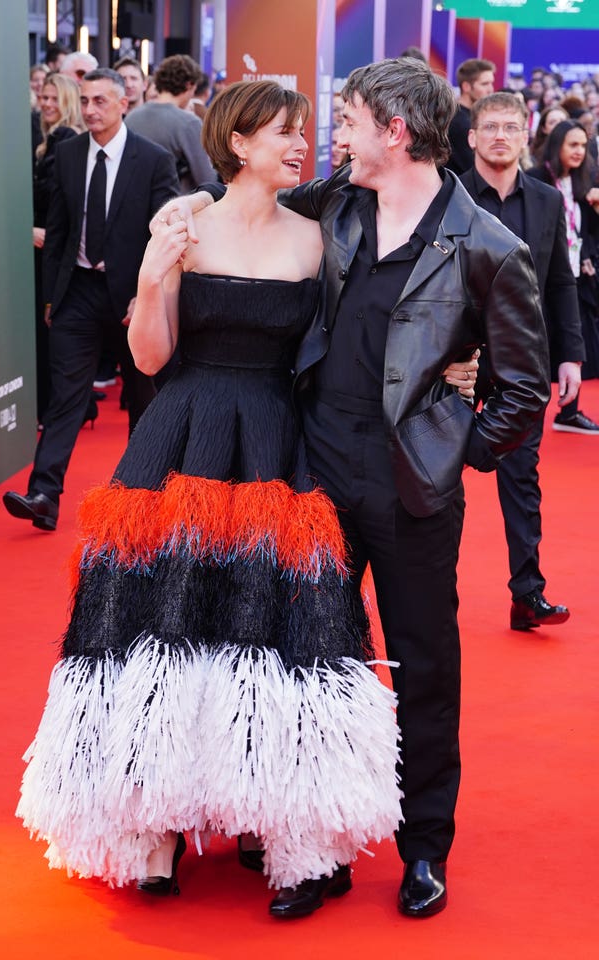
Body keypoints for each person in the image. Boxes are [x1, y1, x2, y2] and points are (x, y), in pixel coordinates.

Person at [14, 79, 404, 919]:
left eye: (305, 132)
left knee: (274, 624)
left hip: (276, 443)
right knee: (164, 619)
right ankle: (156, 827)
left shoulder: (317, 239)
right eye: (284, 134)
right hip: (182, 436)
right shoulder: (184, 227)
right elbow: (149, 362)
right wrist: (153, 280)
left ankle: (277, 819)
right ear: (238, 144)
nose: (302, 146)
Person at [172, 57, 550, 917]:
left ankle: (425, 848)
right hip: (313, 472)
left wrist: (458, 449)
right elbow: (245, 203)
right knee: (314, 664)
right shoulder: (337, 202)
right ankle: (318, 847)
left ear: (396, 131)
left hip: (414, 494)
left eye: (344, 120)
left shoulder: (488, 244)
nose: (329, 137)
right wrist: (182, 211)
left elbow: (524, 390)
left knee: (423, 667)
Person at [2, 68, 178, 532]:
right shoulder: (67, 154)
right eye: (84, 100)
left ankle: (146, 496)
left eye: (100, 100)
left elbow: (164, 235)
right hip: (78, 290)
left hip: (132, 295)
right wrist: (51, 297)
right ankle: (43, 495)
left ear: (124, 104)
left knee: (143, 397)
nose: (90, 109)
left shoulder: (153, 159)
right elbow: (58, 231)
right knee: (65, 397)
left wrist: (149, 294)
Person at [461, 92, 583, 629]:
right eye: (490, 126)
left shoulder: (547, 200)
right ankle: (433, 590)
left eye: (511, 126)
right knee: (435, 480)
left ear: (525, 132)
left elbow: (560, 282)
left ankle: (527, 592)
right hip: (454, 361)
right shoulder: (449, 194)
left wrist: (571, 354)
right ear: (472, 135)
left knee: (522, 477)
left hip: (521, 364)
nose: (500, 136)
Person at [529, 120, 599, 433]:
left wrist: (585, 256)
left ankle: (569, 411)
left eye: (583, 146)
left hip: (573, 276)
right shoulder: (535, 180)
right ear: (557, 145)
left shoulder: (583, 185)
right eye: (572, 145)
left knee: (575, 341)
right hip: (539, 277)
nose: (579, 152)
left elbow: (583, 231)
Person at [32, 73, 84, 425]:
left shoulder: (65, 139)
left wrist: (42, 231)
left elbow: (61, 204)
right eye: (44, 97)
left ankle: (54, 408)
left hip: (50, 247)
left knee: (51, 329)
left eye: (54, 98)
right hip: (47, 245)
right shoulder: (49, 140)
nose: (47, 103)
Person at [125, 54, 215, 194]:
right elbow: (206, 179)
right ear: (189, 85)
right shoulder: (188, 123)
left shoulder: (131, 118)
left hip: (133, 202)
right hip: (174, 206)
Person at [446, 58, 495, 175]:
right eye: (484, 84)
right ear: (466, 86)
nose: (490, 89)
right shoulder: (459, 122)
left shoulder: (471, 116)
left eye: (491, 83)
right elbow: (474, 168)